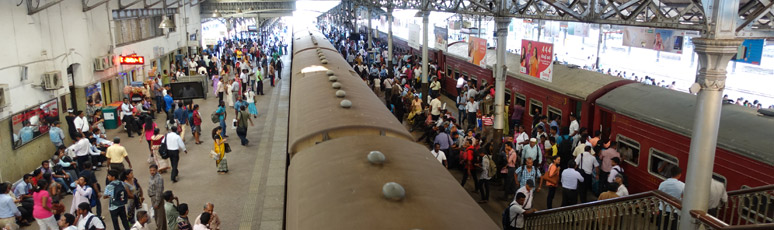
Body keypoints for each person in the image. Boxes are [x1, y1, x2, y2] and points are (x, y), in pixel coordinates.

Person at [148, 165, 166, 230]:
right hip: (153, 198)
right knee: (156, 215)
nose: (152, 172)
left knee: (159, 216)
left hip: (157, 198)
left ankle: (160, 228)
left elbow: (159, 191)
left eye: (153, 170)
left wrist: (157, 203)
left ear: (157, 170)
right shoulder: (151, 177)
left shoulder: (159, 178)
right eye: (151, 170)